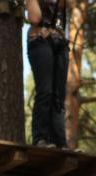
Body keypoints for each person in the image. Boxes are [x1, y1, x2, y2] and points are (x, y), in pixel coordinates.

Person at [26, 0, 68, 148]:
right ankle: (40, 139)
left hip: (60, 43)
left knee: (58, 97)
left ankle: (60, 143)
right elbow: (35, 18)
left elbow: (65, 14)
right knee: (45, 92)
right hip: (39, 40)